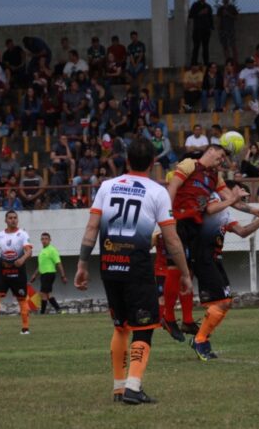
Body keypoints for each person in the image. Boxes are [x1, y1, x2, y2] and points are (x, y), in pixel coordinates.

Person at [74, 138, 192, 404]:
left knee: (120, 327)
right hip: (136, 267)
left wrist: (82, 263)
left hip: (109, 264)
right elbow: (171, 239)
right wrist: (185, 273)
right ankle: (133, 387)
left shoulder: (107, 187)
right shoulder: (157, 192)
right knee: (144, 327)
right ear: (153, 162)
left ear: (126, 161)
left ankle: (119, 388)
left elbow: (92, 228)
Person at [167, 145, 259, 360]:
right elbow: (186, 194)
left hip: (209, 251)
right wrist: (166, 214)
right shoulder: (192, 167)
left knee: (223, 301)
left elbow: (239, 223)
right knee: (177, 274)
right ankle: (183, 326)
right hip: (189, 234)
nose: (220, 163)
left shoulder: (215, 181)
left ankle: (197, 335)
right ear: (210, 151)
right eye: (219, 158)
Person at [192, 181, 259, 359]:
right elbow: (209, 209)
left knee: (226, 302)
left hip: (215, 258)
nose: (242, 194)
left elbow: (242, 231)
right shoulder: (212, 197)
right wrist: (233, 199)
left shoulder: (225, 212)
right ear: (229, 189)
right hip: (202, 256)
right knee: (221, 302)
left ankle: (201, 337)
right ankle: (200, 340)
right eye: (240, 190)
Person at [0, 211, 33, 335]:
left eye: (15, 218)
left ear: (17, 220)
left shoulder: (22, 234)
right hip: (3, 271)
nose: (13, 220)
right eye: (10, 218)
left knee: (22, 299)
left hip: (18, 271)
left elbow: (29, 251)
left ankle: (25, 328)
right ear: (5, 220)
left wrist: (22, 259)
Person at [30, 232, 67, 314]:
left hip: (49, 273)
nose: (44, 241)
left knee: (44, 293)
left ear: (50, 240)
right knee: (46, 294)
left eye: (46, 239)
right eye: (42, 239)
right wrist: (34, 275)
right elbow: (40, 265)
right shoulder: (42, 251)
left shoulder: (52, 250)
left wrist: (63, 276)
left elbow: (58, 263)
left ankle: (48, 311)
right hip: (43, 274)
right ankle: (55, 310)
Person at [189, 0, 213, 66]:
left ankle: (206, 63)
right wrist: (200, 13)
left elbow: (210, 18)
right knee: (196, 46)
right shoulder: (195, 5)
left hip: (206, 30)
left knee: (206, 47)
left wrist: (211, 27)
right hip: (197, 29)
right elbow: (190, 15)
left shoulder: (208, 6)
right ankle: (194, 63)